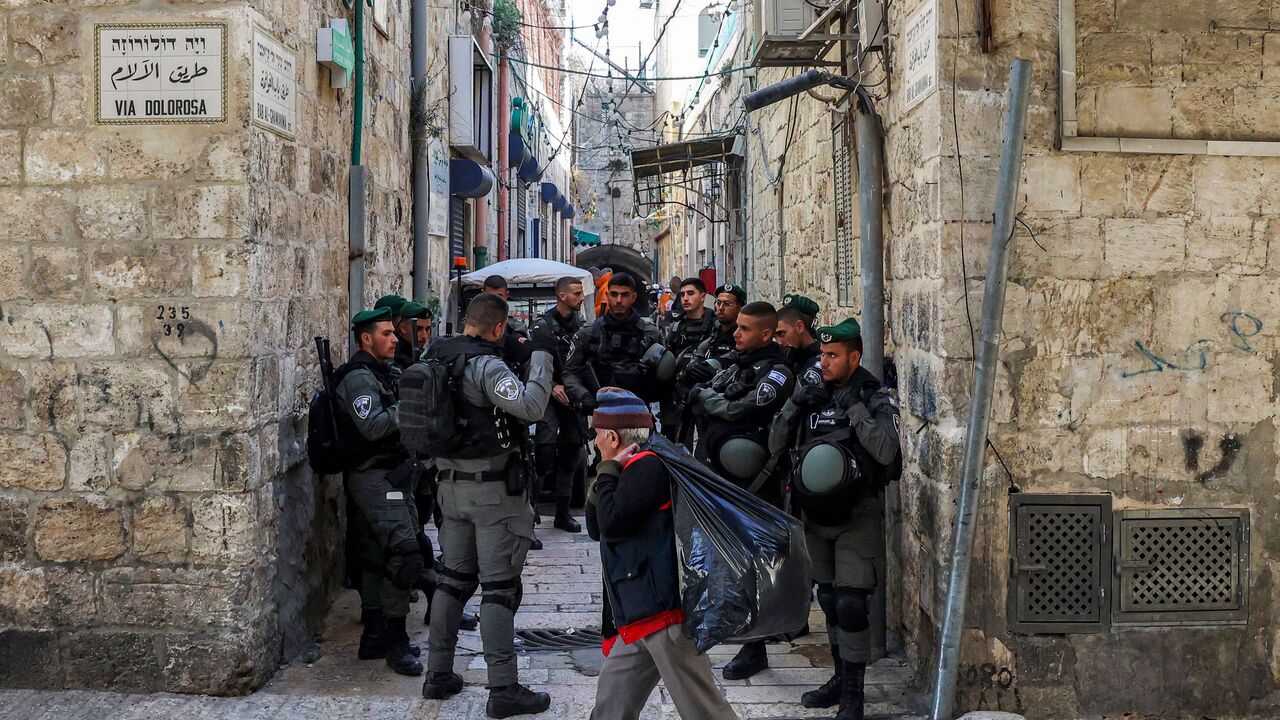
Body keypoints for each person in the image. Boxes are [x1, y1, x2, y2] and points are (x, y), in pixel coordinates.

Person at [421, 292, 556, 718]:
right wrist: (542, 358)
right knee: (499, 589)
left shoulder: (434, 355)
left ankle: (438, 675)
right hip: (494, 493)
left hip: (449, 488)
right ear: (498, 328)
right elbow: (531, 407)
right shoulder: (487, 365)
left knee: (452, 580)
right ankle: (503, 689)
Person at [768, 318, 900, 720]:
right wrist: (794, 404)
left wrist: (855, 409)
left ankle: (855, 697)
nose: (823, 363)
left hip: (857, 513)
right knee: (827, 598)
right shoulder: (813, 394)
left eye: (832, 356)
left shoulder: (872, 396)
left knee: (851, 602)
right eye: (822, 355)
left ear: (854, 356)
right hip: (815, 514)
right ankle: (839, 679)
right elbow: (774, 445)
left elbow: (886, 453)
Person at [587, 388, 739, 720]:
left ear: (612, 436)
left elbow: (612, 522)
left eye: (597, 435)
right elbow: (595, 524)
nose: (594, 441)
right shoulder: (628, 468)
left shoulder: (648, 467)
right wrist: (607, 471)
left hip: (663, 617)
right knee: (610, 706)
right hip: (638, 616)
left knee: (704, 710)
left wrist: (608, 469)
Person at [687, 301, 795, 681]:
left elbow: (741, 409)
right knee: (731, 562)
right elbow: (704, 389)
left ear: (766, 334)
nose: (736, 333)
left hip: (756, 483)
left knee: (755, 565)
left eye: (745, 329)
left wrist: (709, 399)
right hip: (725, 476)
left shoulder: (778, 371)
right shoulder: (740, 363)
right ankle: (741, 634)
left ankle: (757, 645)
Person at [335, 307, 435, 677]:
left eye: (395, 333)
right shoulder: (359, 380)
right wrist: (407, 406)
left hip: (391, 477)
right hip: (374, 478)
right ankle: (395, 642)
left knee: (379, 558)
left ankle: (375, 636)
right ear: (365, 339)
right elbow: (375, 427)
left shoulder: (382, 372)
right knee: (405, 555)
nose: (395, 339)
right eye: (386, 334)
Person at [530, 276, 588, 534]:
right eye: (577, 293)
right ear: (562, 296)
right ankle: (529, 515)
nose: (582, 297)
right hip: (547, 394)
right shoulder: (542, 327)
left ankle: (562, 514)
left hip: (572, 397)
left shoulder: (582, 327)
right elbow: (533, 364)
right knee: (543, 450)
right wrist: (552, 385)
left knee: (571, 453)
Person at [563, 272, 663, 408]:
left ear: (634, 297)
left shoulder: (650, 334)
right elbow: (570, 372)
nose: (619, 300)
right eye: (614, 294)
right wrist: (584, 396)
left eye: (625, 295)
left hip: (639, 411)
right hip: (599, 410)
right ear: (607, 295)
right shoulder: (589, 333)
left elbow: (664, 375)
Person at [659, 277, 716, 440]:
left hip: (707, 393)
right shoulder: (677, 327)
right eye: (683, 294)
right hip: (679, 393)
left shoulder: (715, 326)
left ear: (703, 296)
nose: (685, 298)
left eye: (690, 293)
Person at [776, 294, 823, 388]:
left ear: (800, 326)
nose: (779, 342)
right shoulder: (789, 352)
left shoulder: (820, 357)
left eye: (782, 334)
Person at [392, 300, 431, 371]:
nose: (424, 336)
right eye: (418, 329)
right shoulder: (396, 356)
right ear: (403, 328)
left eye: (427, 329)